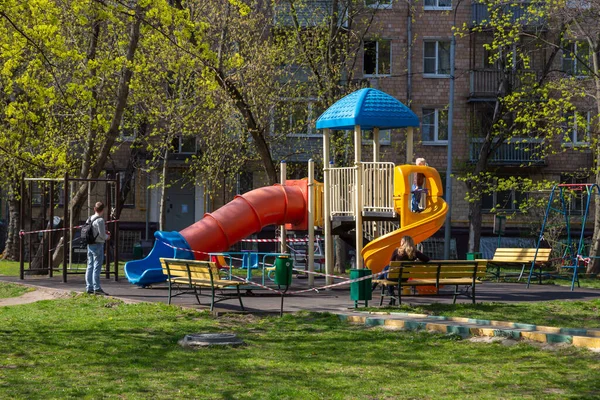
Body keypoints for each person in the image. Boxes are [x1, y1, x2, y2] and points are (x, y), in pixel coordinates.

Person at [373, 236, 430, 304]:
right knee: (387, 270)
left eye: (401, 241)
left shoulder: (397, 251)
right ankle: (375, 287)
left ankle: (385, 292)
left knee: (387, 270)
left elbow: (391, 263)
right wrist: (416, 260)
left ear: (403, 242)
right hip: (404, 278)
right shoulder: (415, 252)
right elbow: (427, 259)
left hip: (392, 277)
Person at [85, 202, 111, 295]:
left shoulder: (89, 218)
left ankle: (89, 287)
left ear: (94, 209)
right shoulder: (100, 220)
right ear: (102, 210)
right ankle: (97, 288)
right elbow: (102, 235)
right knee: (97, 266)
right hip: (98, 245)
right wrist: (108, 236)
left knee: (90, 266)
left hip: (90, 244)